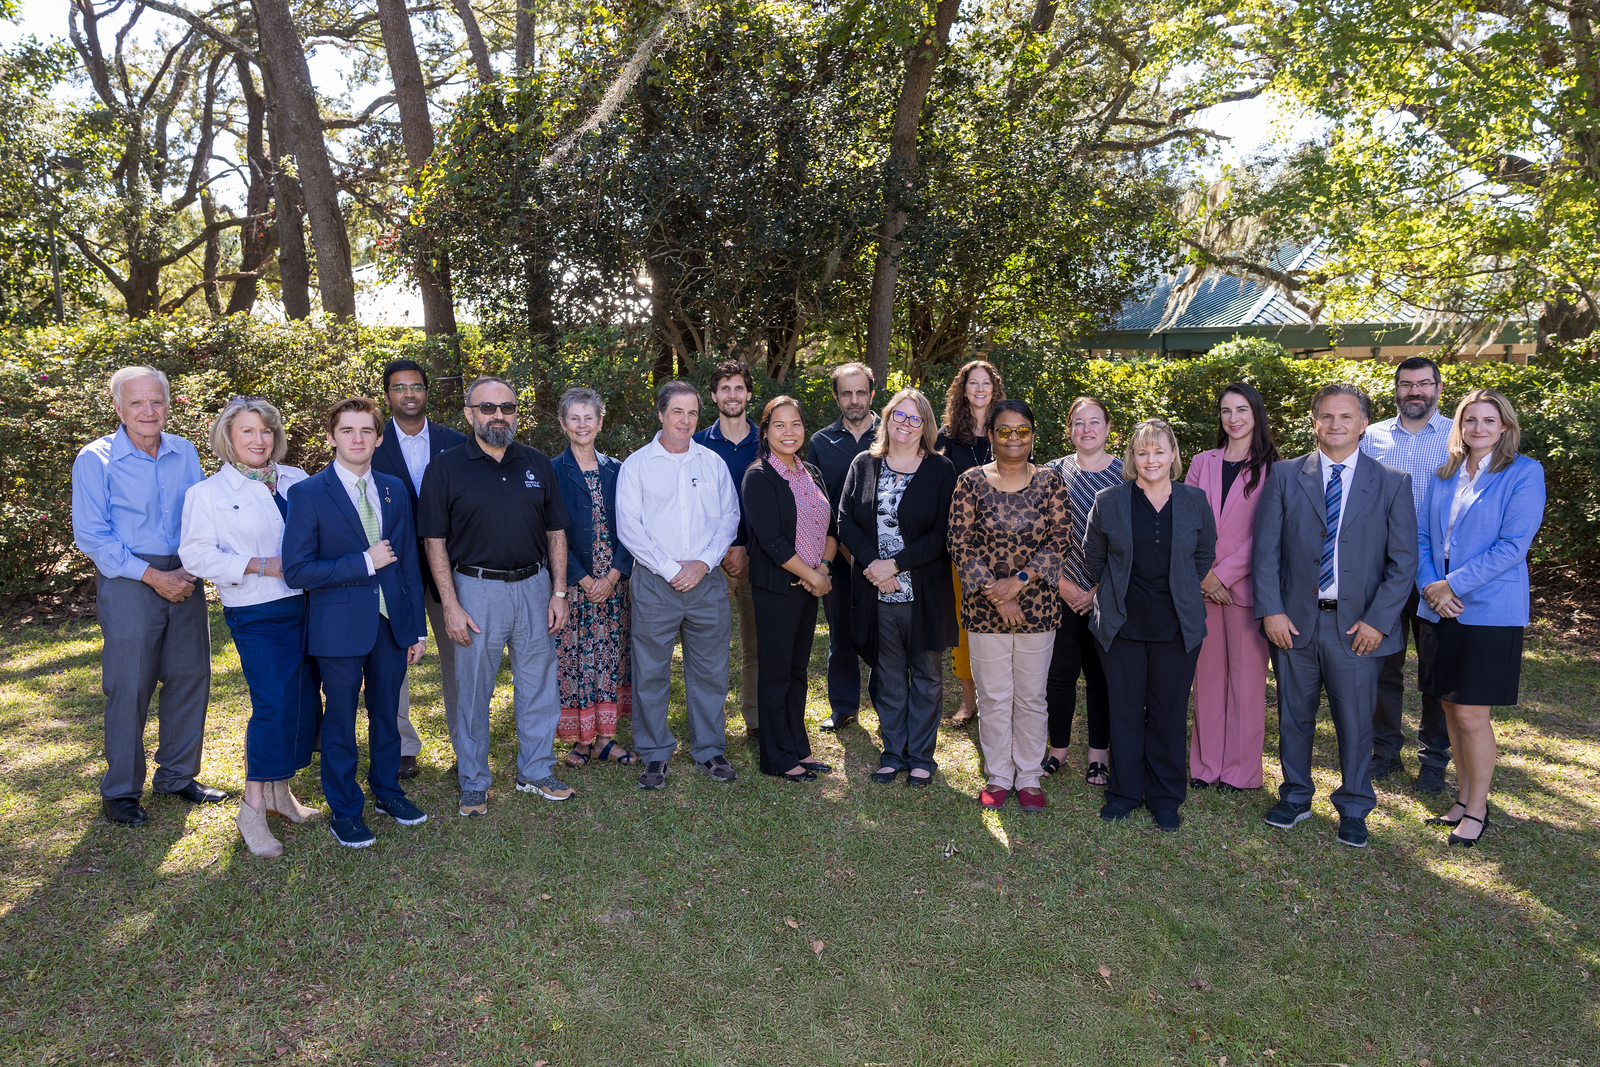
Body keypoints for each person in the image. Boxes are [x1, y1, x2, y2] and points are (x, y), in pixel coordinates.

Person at [1252, 383, 1417, 849]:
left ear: (1364, 423)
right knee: (1294, 715)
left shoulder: (1391, 481)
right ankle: (1296, 795)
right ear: (1313, 422)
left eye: (1346, 416)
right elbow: (1265, 554)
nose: (1336, 424)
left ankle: (1354, 805)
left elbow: (1403, 562)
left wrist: (1378, 620)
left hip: (1358, 626)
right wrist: (1273, 612)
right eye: (1326, 416)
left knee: (1356, 720)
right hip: (1296, 621)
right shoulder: (1285, 476)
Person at [71, 366, 222, 826]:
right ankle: (120, 789)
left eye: (156, 401)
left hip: (185, 574)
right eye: (136, 402)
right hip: (128, 578)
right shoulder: (94, 459)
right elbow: (93, 536)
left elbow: (201, 514)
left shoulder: (185, 451)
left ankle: (176, 775)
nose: (148, 411)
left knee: (190, 674)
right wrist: (154, 577)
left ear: (168, 404)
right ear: (118, 407)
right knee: (130, 683)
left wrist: (189, 569)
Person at [417, 377, 573, 818]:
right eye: (487, 408)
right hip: (474, 590)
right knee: (473, 689)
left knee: (538, 683)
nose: (498, 415)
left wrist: (558, 591)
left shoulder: (538, 463)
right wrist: (450, 605)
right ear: (469, 414)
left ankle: (536, 771)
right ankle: (473, 780)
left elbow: (556, 532)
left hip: (534, 587)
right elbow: (434, 541)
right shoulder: (446, 467)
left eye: (507, 407)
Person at [283, 398, 430, 848]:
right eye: (347, 430)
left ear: (379, 438)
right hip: (339, 627)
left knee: (387, 714)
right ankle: (345, 809)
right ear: (331, 437)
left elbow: (407, 562)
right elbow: (298, 571)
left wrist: (417, 626)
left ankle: (387, 791)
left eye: (366, 431)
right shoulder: (308, 493)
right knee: (341, 720)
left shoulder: (393, 489)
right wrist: (362, 562)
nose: (357, 439)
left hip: (390, 624)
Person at [179, 396, 322, 857]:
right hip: (257, 612)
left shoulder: (297, 479)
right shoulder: (207, 494)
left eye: (266, 431)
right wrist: (261, 564)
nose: (259, 440)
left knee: (302, 701)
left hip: (310, 607)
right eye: (248, 432)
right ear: (229, 438)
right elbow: (196, 556)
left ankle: (282, 793)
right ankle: (252, 807)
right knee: (273, 706)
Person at [1415, 389, 1545, 847]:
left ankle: (1478, 809)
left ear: (1505, 427)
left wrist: (1453, 585)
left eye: (1489, 421)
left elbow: (1513, 546)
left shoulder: (1524, 473)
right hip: (1438, 606)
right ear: (1459, 425)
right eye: (1470, 420)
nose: (1478, 428)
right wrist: (1433, 585)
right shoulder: (1445, 472)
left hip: (1489, 610)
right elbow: (1422, 535)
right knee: (1449, 705)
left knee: (1471, 712)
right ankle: (1462, 796)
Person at [1085, 420, 1217, 831]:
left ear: (1174, 455)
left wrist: (1177, 587)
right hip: (1122, 624)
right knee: (1123, 710)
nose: (1151, 460)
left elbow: (1203, 555)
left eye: (1159, 451)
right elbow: (1095, 558)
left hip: (1177, 625)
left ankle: (1164, 797)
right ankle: (1124, 792)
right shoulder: (1109, 500)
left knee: (1168, 711)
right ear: (1132, 458)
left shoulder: (1195, 500)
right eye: (1142, 452)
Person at [615, 381, 742, 790]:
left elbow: (729, 519)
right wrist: (672, 569)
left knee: (710, 669)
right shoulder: (636, 465)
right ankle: (653, 753)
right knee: (650, 671)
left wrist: (703, 563)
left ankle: (709, 747)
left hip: (706, 582)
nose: (685, 420)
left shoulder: (712, 463)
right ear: (660, 414)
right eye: (677, 412)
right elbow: (629, 528)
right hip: (655, 583)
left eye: (692, 413)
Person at [947, 399, 1069, 811]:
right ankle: (999, 776)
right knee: (995, 696)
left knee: (1032, 697)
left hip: (1038, 609)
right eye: (1004, 430)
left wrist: (1018, 583)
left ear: (1033, 435)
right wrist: (997, 596)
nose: (1013, 438)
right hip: (984, 611)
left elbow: (1059, 541)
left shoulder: (1051, 481)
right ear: (991, 435)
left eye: (1022, 430)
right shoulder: (970, 481)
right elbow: (959, 543)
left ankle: (1030, 777)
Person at [837, 389, 957, 787]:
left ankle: (921, 756)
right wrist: (875, 565)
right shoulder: (864, 464)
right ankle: (893, 752)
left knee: (926, 673)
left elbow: (943, 532)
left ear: (926, 426)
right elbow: (845, 521)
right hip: (877, 590)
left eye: (914, 419)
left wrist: (896, 564)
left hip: (922, 591)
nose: (905, 424)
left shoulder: (941, 470)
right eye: (898, 416)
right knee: (887, 673)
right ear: (886, 418)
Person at [1359, 356, 1455, 793]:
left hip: (1437, 572)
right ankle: (1385, 750)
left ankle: (1435, 757)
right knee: (1382, 664)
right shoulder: (1372, 436)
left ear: (1438, 387)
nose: (1414, 391)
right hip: (1383, 570)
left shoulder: (1458, 435)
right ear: (1395, 388)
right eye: (1406, 384)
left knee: (1436, 669)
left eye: (1423, 384)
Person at [369, 358, 468, 779]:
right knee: (392, 659)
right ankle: (403, 745)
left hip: (448, 566)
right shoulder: (370, 442)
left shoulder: (457, 441)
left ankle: (466, 743)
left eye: (416, 386)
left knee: (459, 657)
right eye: (398, 387)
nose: (408, 394)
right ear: (387, 395)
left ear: (427, 392)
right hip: (392, 567)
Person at [1185, 384, 1278, 793]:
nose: (1233, 418)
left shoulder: (1276, 467)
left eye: (1241, 409)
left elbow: (1269, 534)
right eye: (1225, 410)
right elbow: (1183, 519)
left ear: (1256, 414)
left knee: (1246, 684)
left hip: (1246, 591)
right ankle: (1206, 766)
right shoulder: (1202, 462)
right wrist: (1205, 575)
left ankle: (1240, 771)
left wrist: (1225, 575)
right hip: (1201, 589)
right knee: (1206, 681)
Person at [741, 396, 838, 781]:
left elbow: (831, 528)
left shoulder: (811, 472)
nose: (788, 432)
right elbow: (772, 541)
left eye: (795, 424)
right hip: (778, 586)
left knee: (798, 671)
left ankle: (799, 747)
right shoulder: (759, 476)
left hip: (810, 584)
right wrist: (814, 577)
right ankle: (777, 757)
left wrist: (824, 568)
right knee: (776, 671)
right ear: (765, 432)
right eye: (778, 425)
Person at [551, 387, 636, 767]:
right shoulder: (552, 471)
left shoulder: (619, 469)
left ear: (600, 422)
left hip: (615, 583)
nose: (582, 424)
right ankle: (580, 742)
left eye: (589, 417)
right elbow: (548, 532)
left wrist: (616, 574)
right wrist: (583, 579)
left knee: (610, 657)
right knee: (577, 659)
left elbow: (634, 527)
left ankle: (605, 738)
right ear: (563, 423)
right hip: (573, 583)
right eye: (574, 417)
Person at [1042, 397, 1122, 787]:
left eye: (1095, 422)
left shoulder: (1128, 475)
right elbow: (1034, 539)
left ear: (1108, 428)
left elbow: (1132, 545)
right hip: (1058, 591)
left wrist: (1096, 590)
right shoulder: (1050, 473)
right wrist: (1063, 584)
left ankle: (1098, 756)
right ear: (1069, 429)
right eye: (1078, 422)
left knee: (1101, 675)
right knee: (1059, 675)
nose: (1086, 429)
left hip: (1108, 595)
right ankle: (1057, 750)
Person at [808, 362, 881, 731]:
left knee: (887, 634)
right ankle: (843, 705)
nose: (854, 400)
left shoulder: (893, 434)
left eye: (860, 392)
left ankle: (888, 705)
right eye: (846, 393)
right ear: (837, 397)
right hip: (837, 555)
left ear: (872, 393)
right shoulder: (821, 442)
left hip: (886, 558)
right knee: (841, 633)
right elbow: (816, 502)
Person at [693, 360, 762, 739]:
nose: (732, 395)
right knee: (709, 650)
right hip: (711, 562)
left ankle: (755, 720)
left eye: (738, 388)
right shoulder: (698, 443)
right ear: (714, 395)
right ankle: (710, 724)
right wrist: (719, 550)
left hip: (758, 559)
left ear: (749, 394)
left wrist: (748, 548)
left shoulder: (767, 441)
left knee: (756, 645)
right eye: (725, 388)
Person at [937, 359, 1004, 727]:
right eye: (972, 383)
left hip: (1004, 545)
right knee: (965, 625)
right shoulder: (947, 436)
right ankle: (968, 702)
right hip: (961, 547)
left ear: (994, 389)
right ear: (963, 390)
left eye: (986, 383)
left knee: (999, 620)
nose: (980, 389)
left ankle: (998, 697)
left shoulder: (1006, 428)